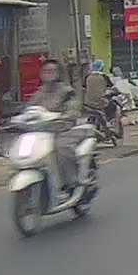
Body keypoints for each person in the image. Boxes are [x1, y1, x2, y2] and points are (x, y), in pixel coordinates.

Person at [27, 58, 86, 191]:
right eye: (46, 70)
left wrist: (66, 115)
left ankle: (71, 182)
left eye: (52, 70)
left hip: (62, 130)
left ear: (58, 73)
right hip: (41, 132)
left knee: (61, 148)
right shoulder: (39, 93)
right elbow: (29, 109)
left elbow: (73, 108)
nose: (48, 73)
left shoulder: (66, 91)